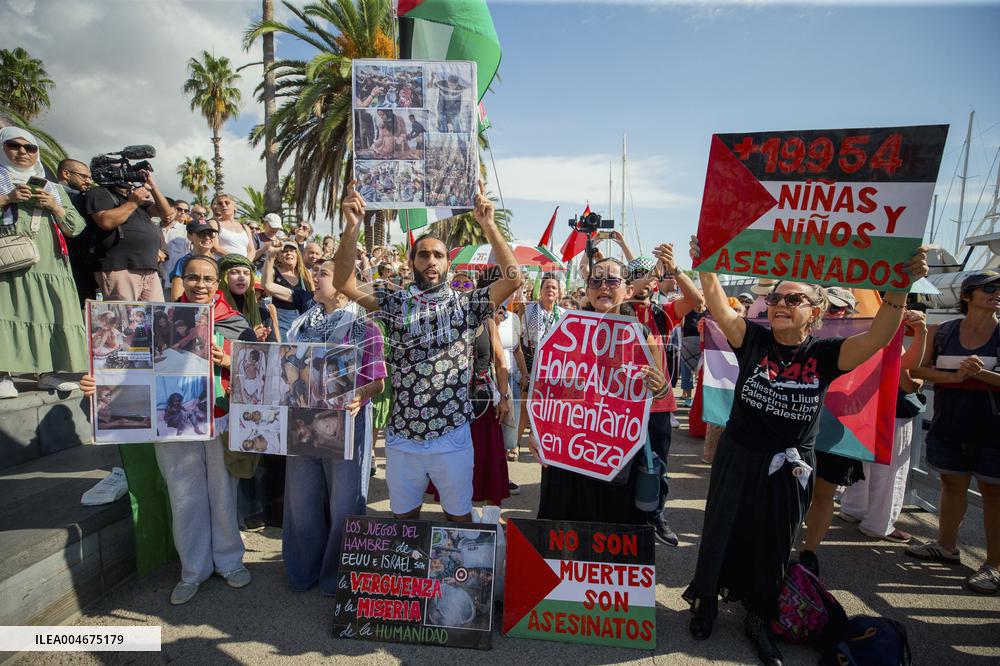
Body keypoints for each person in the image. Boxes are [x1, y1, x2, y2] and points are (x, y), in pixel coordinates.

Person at [683, 235, 927, 665]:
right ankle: (706, 600)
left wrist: (900, 287)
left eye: (793, 297)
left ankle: (760, 616)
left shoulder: (826, 353)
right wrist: (706, 265)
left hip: (791, 464)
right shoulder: (752, 339)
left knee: (775, 541)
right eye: (775, 296)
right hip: (739, 454)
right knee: (722, 527)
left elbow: (879, 337)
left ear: (814, 312)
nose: (779, 302)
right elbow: (719, 306)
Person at [333, 181, 520, 523]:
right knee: (404, 520)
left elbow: (513, 280)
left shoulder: (467, 305)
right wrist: (352, 226)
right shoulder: (394, 301)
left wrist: (488, 224)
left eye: (438, 255)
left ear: (448, 263)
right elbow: (343, 283)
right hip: (403, 438)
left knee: (459, 518)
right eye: (423, 254)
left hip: (452, 435)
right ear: (412, 261)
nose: (431, 260)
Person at [81, 255, 256, 605]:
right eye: (193, 278)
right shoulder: (151, 321)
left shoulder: (235, 322)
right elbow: (124, 365)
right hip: (171, 425)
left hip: (219, 418)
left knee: (222, 494)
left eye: (208, 279)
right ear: (181, 280)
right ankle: (193, 570)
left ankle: (229, 561)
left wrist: (230, 359)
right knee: (183, 496)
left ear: (217, 283)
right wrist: (97, 382)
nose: (201, 285)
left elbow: (258, 370)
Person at [534, 258, 668, 525]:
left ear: (629, 290)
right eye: (595, 281)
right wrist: (538, 433)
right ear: (587, 289)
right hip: (568, 449)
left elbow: (657, 394)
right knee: (564, 526)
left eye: (612, 281)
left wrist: (661, 388)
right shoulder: (567, 328)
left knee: (611, 526)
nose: (603, 287)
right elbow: (547, 387)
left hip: (616, 453)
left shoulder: (641, 335)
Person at [282, 258, 386, 594]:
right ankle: (304, 570)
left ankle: (338, 575)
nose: (315, 277)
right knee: (302, 499)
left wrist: (361, 393)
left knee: (344, 502)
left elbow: (379, 383)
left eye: (324, 273)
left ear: (344, 281)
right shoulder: (298, 326)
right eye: (315, 272)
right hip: (301, 419)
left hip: (347, 420)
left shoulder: (364, 326)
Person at [907, 270, 1000, 594]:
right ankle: (946, 546)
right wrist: (955, 379)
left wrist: (982, 374)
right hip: (950, 424)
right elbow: (915, 369)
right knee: (951, 485)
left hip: (993, 431)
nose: (996, 292)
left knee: (994, 495)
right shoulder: (942, 331)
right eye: (989, 287)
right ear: (967, 295)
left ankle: (994, 566)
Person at [0, 127, 89, 397]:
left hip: (50, 262)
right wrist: (7, 199)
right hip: (10, 260)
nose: (23, 152)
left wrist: (54, 206)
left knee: (51, 312)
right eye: (14, 145)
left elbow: (76, 227)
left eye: (30, 148)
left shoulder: (53, 188)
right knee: (8, 311)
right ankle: (4, 373)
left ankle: (48, 372)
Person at [627, 245, 706, 546]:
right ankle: (631, 516)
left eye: (651, 277)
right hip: (623, 404)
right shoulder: (617, 308)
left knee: (658, 464)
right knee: (625, 463)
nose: (646, 281)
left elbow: (696, 300)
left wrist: (675, 269)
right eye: (638, 276)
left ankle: (656, 514)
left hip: (658, 404)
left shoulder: (663, 313)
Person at [840, 309, 929, 543]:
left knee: (861, 461)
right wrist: (920, 334)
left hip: (861, 407)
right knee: (890, 470)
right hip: (891, 408)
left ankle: (853, 508)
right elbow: (908, 382)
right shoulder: (888, 334)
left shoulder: (858, 329)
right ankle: (879, 524)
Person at [85, 156, 171, 302]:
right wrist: (133, 202)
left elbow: (166, 213)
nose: (126, 172)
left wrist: (152, 186)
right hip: (120, 267)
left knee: (156, 319)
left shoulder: (133, 198)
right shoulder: (99, 192)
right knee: (123, 320)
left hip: (148, 267)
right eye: (120, 169)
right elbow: (106, 221)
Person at [56, 158, 97, 306]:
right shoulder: (53, 194)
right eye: (84, 176)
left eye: (90, 177)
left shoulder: (84, 197)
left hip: (84, 263)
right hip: (65, 259)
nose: (88, 181)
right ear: (66, 174)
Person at [218, 254, 277, 342]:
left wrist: (261, 342)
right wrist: (251, 337)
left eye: (246, 273)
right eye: (234, 272)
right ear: (223, 277)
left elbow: (273, 348)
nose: (242, 277)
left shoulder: (262, 313)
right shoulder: (213, 310)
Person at [262, 241, 315, 340]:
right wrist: (271, 255)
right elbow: (266, 284)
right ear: (278, 256)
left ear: (298, 255)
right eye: (284, 251)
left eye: (292, 251)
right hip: (280, 319)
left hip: (301, 319)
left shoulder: (305, 273)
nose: (289, 253)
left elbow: (313, 295)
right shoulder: (274, 271)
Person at [169, 220, 218, 301]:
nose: (207, 237)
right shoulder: (183, 262)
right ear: (189, 236)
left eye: (210, 233)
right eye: (201, 234)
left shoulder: (219, 261)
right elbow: (176, 297)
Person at [208, 194, 254, 260]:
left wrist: (246, 263)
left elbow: (251, 250)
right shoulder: (214, 223)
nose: (223, 205)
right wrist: (238, 260)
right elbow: (215, 247)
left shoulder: (245, 227)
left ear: (234, 206)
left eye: (227, 202)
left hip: (244, 267)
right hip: (224, 264)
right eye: (220, 203)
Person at [161, 199, 192, 292]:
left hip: (176, 281)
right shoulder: (153, 228)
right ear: (173, 209)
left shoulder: (187, 231)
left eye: (186, 211)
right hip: (155, 279)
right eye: (179, 209)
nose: (182, 212)